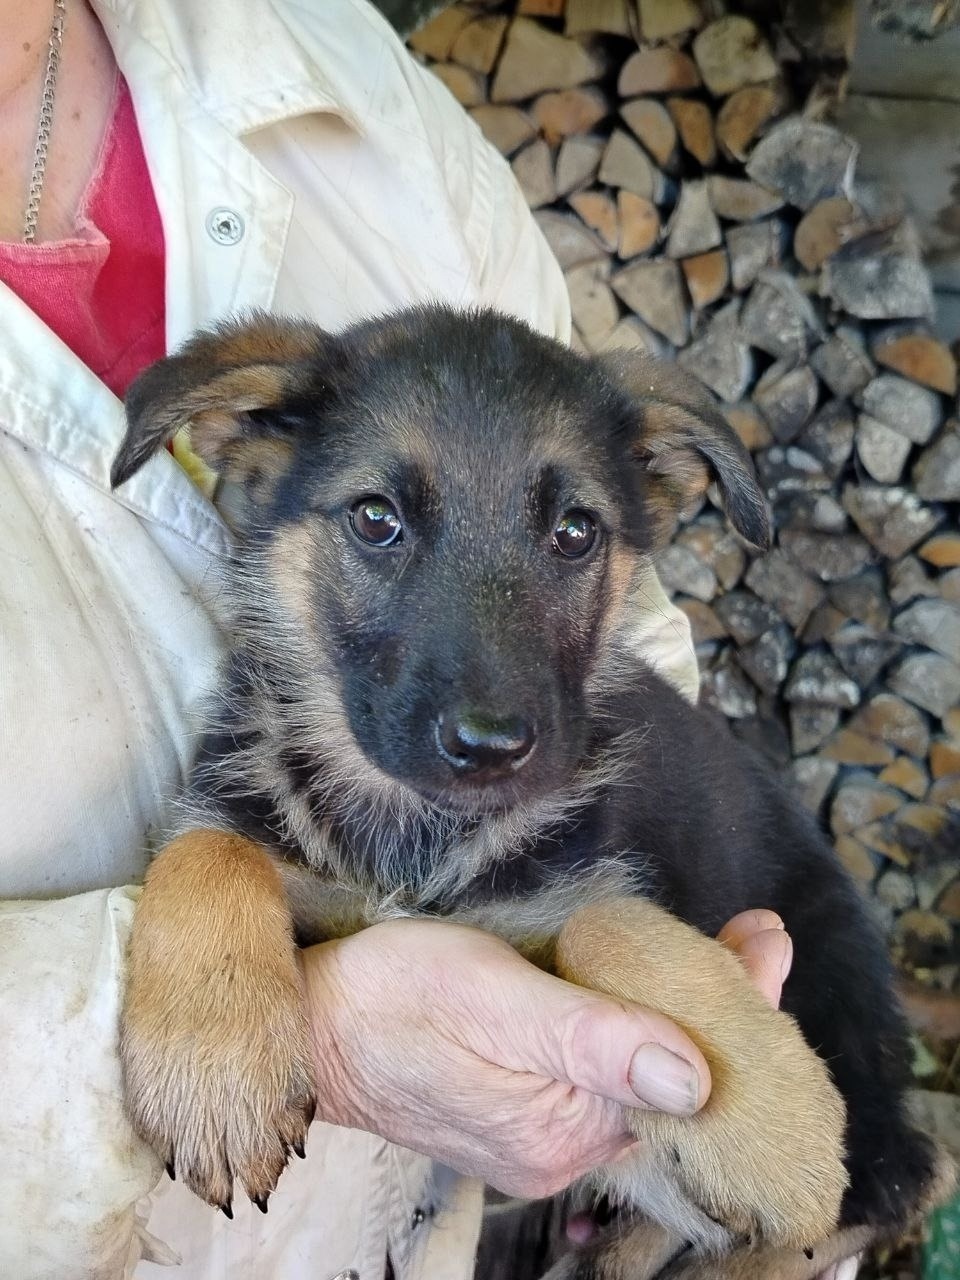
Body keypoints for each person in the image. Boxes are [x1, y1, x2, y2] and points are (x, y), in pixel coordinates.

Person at [0, 2, 856, 1278]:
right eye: (381, 520)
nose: (488, 700)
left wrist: (649, 937)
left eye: (567, 542)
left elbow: (622, 590)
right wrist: (318, 1024)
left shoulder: (323, 53)